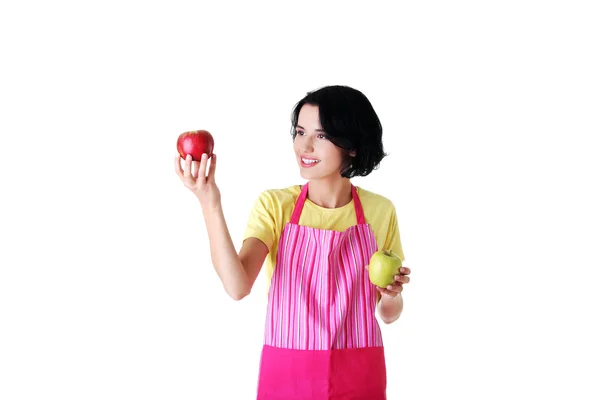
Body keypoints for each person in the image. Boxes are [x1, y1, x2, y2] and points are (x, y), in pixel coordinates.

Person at [174, 85, 412, 399]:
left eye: (321, 136)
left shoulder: (379, 211)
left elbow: (388, 313)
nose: (305, 146)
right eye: (300, 132)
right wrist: (209, 202)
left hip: (359, 372)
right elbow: (237, 286)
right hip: (288, 374)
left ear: (352, 146)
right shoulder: (275, 205)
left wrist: (391, 294)